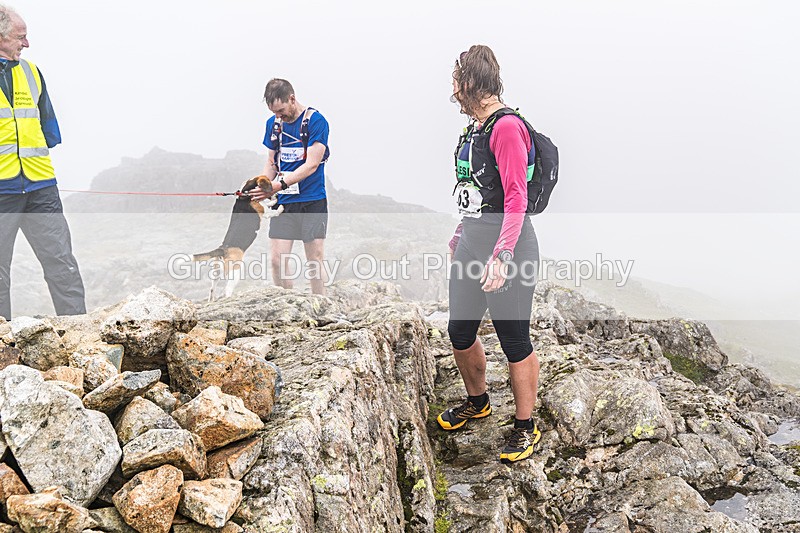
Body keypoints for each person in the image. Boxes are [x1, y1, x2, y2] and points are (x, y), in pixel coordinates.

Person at [437, 45, 542, 464]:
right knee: (459, 332)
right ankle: (478, 402)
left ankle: (524, 426)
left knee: (514, 339)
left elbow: (516, 198)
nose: (453, 90)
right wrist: (461, 232)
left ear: (471, 82)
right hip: (473, 241)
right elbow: (477, 193)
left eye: (457, 80)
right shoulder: (473, 130)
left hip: (510, 246)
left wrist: (502, 255)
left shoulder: (506, 128)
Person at [0, 5, 85, 320]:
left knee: (62, 265)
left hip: (41, 189)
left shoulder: (32, 73)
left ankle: (80, 331)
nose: (27, 43)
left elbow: (48, 129)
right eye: (20, 37)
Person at [248, 78, 330, 296]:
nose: (278, 116)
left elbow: (312, 165)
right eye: (274, 112)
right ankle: (286, 304)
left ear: (292, 98)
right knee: (276, 260)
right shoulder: (273, 125)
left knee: (314, 259)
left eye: (281, 110)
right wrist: (264, 185)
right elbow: (271, 162)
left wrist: (277, 185)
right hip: (284, 203)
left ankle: (320, 305)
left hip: (312, 200)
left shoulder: (316, 121)